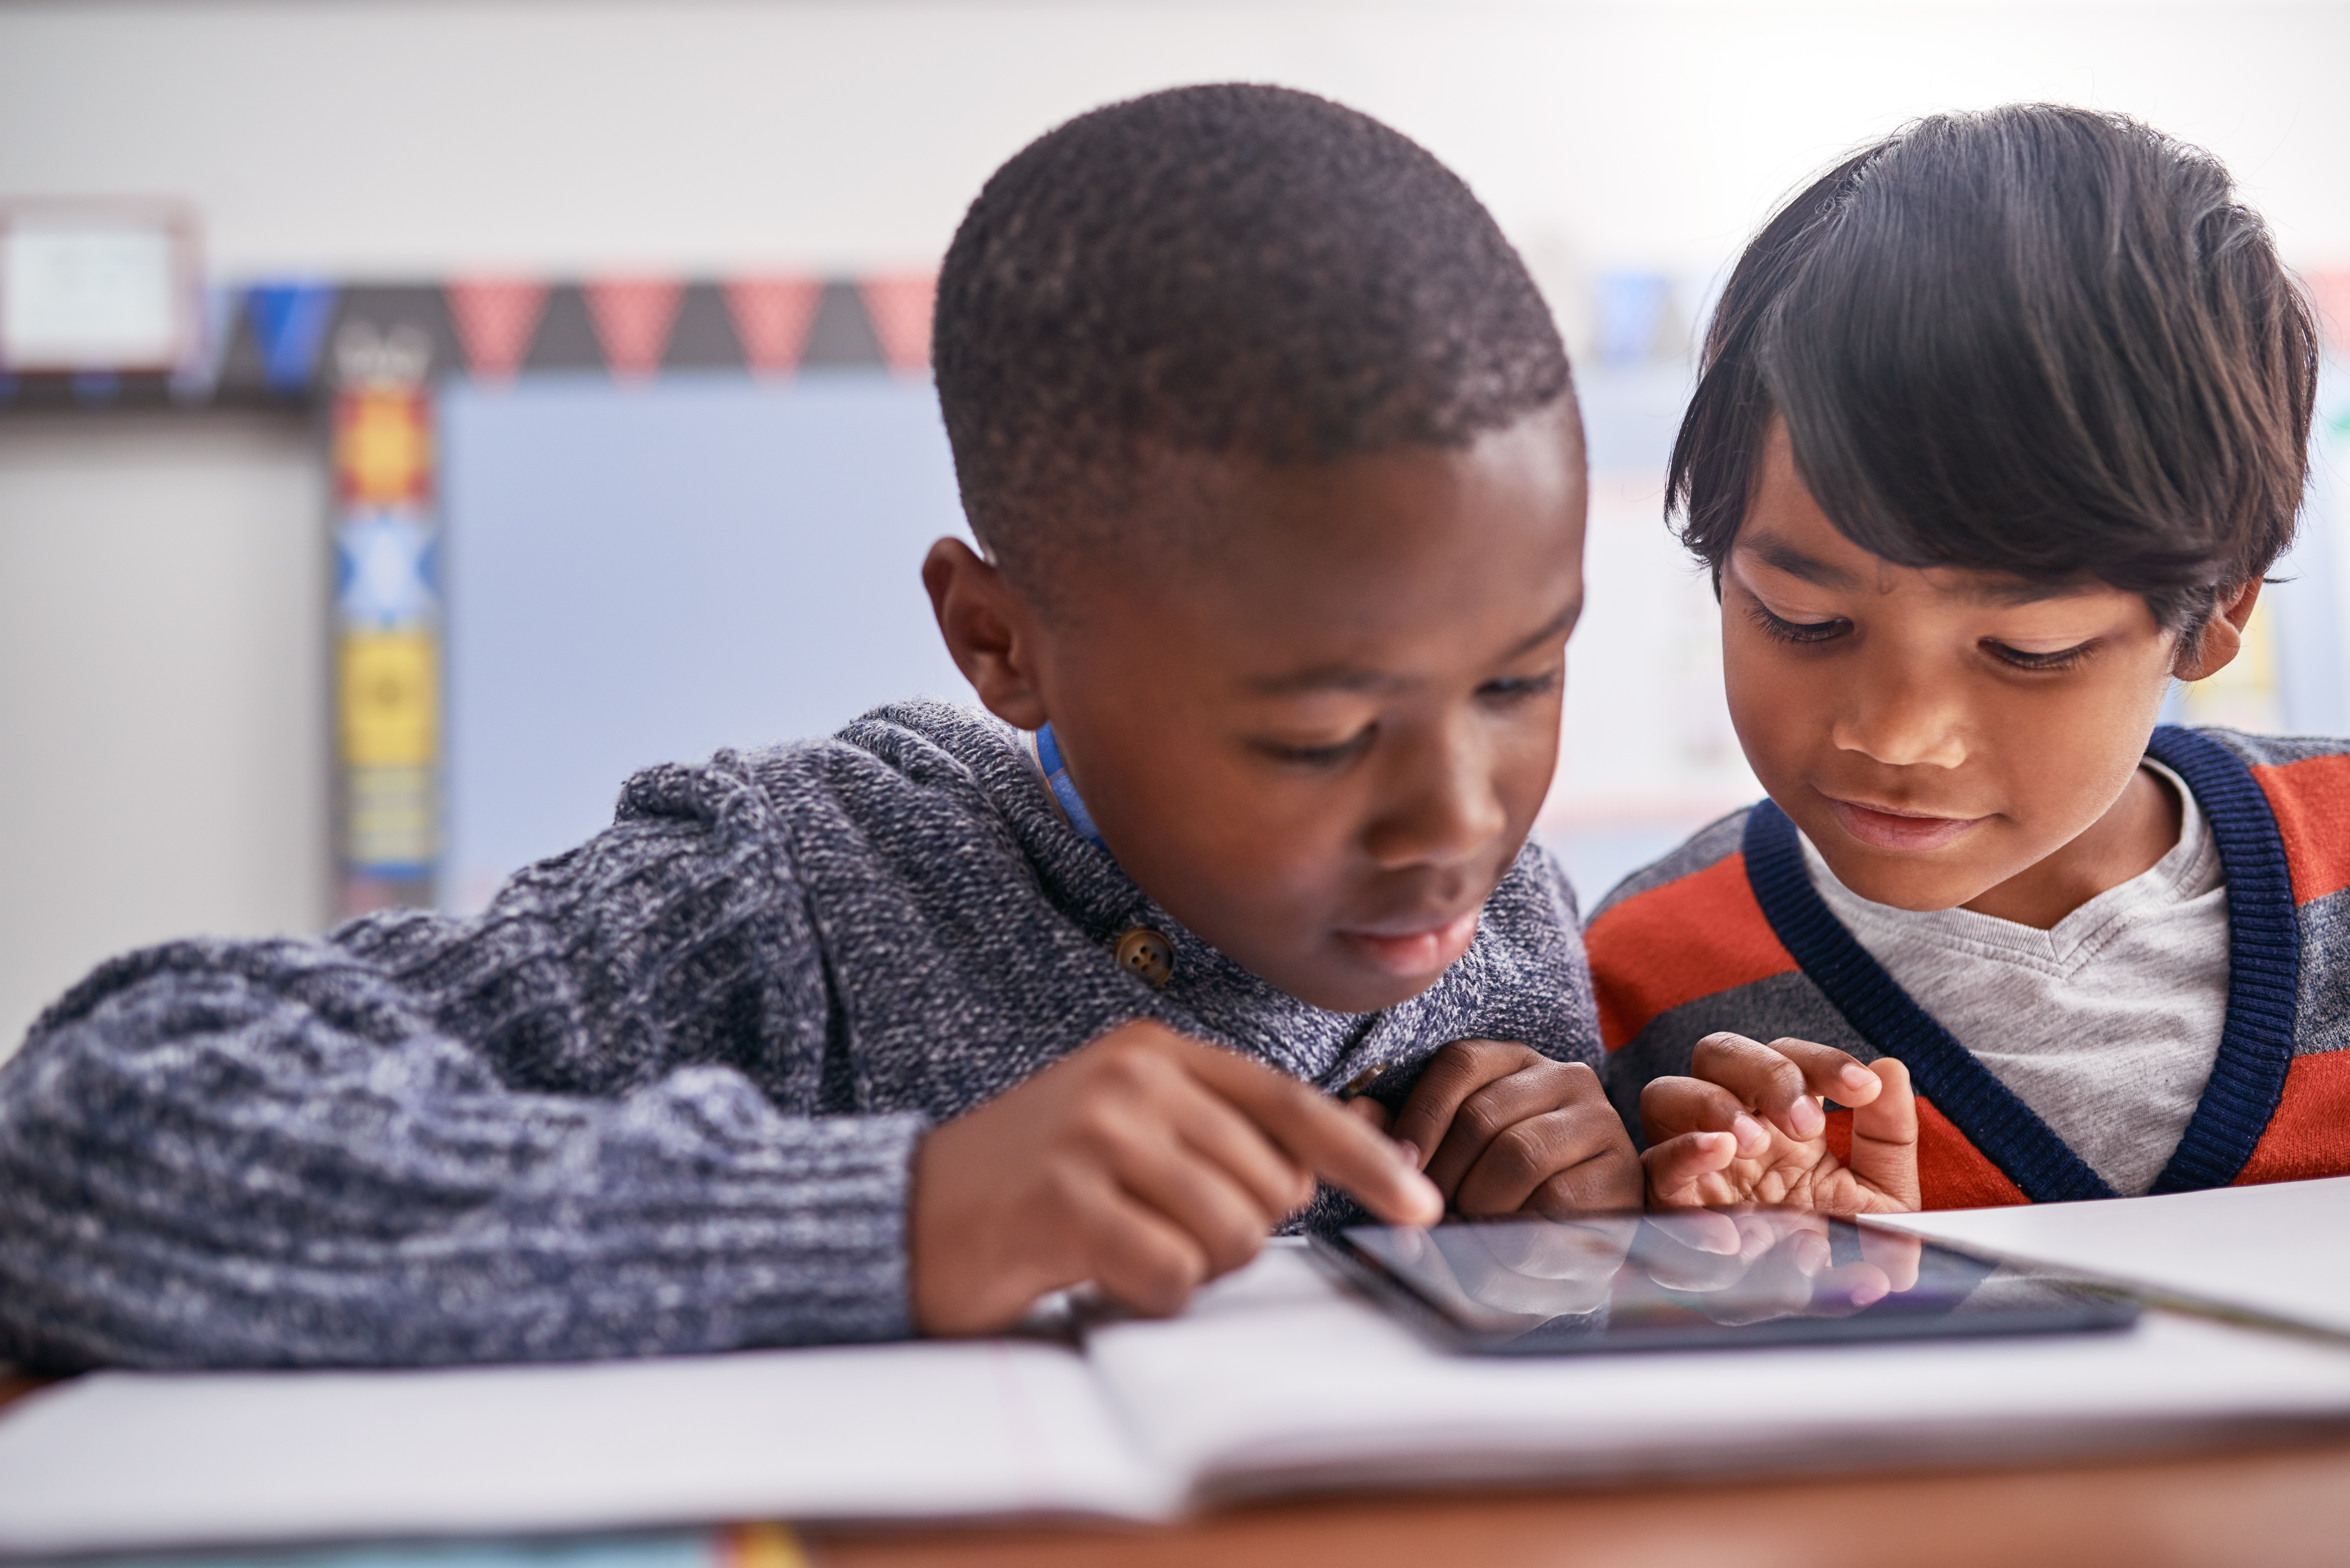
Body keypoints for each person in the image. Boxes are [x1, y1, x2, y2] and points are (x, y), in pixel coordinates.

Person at [0, 84, 1637, 1370]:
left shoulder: (1514, 943)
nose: (1458, 823)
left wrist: (1606, 1185)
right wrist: (900, 1217)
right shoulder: (796, 897)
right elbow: (79, 1142)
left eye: (1521, 682)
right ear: (1001, 643)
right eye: (1323, 735)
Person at [1587, 104, 2346, 1215]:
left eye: (2028, 648)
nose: (1894, 732)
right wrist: (1677, 1260)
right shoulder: (1641, 981)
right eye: (1802, 617)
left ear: (2217, 613)